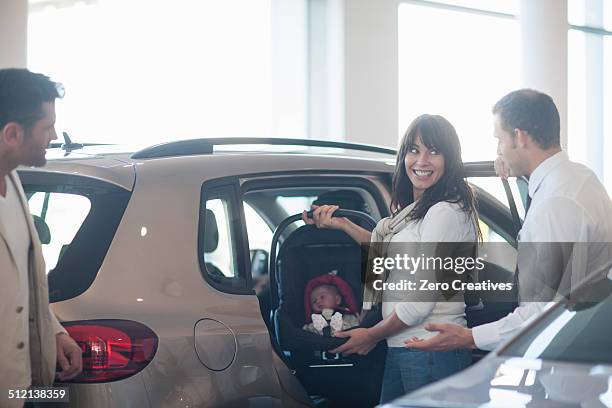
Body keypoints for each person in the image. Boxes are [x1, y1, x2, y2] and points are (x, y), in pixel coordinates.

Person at [404, 89, 612, 353]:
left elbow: (541, 314)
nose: (498, 151)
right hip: (587, 344)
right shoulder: (580, 178)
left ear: (519, 136)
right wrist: (516, 170)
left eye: (499, 140)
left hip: (562, 355)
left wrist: (469, 337)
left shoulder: (554, 205)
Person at [303, 114, 481, 403]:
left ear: (450, 159)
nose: (421, 161)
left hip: (429, 351)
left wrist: (371, 334)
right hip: (408, 348)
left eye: (433, 151)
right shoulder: (415, 211)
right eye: (414, 150)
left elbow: (422, 300)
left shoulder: (444, 212)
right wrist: (342, 224)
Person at [0, 68, 83, 402]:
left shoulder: (14, 183)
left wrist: (54, 332)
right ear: (12, 134)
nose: (52, 137)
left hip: (17, 390)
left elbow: (17, 288)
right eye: (46, 128)